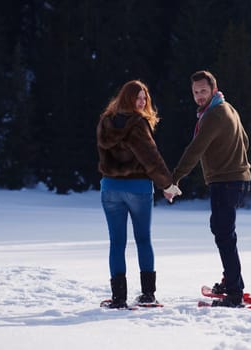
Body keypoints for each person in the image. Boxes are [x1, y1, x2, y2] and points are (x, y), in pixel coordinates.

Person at [96, 80, 181, 308]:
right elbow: (151, 158)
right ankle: (147, 295)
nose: (142, 102)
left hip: (110, 188)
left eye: (144, 97)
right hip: (138, 189)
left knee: (116, 243)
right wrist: (168, 185)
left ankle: (118, 298)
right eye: (138, 97)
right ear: (127, 98)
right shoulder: (137, 124)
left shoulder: (106, 122)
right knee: (143, 240)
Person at [172, 70, 251, 307]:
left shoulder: (214, 115)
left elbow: (195, 149)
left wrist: (174, 179)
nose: (199, 96)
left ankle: (234, 294)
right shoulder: (228, 108)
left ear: (213, 89)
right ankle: (231, 282)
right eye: (195, 92)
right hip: (235, 179)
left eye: (203, 91)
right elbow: (245, 140)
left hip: (226, 181)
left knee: (224, 234)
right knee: (224, 232)